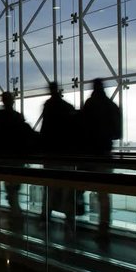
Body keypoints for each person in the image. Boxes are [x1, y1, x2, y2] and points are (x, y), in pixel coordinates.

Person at [0, 91, 36, 229]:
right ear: (12, 101)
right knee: (13, 192)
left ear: (3, 102)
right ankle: (16, 218)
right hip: (15, 162)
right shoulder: (17, 117)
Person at [81, 78, 122, 245]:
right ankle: (104, 227)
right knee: (104, 194)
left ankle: (73, 222)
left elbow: (81, 129)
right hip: (105, 154)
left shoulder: (89, 105)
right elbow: (117, 133)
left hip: (89, 155)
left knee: (78, 185)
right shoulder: (112, 106)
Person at [39, 82, 78, 235]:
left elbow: (44, 130)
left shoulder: (48, 107)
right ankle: (69, 221)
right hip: (67, 156)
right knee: (68, 190)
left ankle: (45, 219)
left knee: (49, 188)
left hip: (51, 155)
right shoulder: (67, 107)